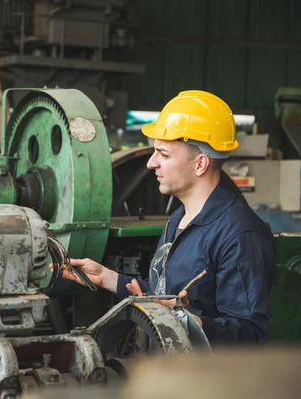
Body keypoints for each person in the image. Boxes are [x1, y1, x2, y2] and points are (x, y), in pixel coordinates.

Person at [61, 90, 276, 344]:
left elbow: (250, 334)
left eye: (163, 154)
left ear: (200, 164)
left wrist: (189, 322)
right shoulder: (178, 219)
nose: (151, 163)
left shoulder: (240, 235)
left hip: (209, 381)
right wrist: (107, 278)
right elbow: (164, 294)